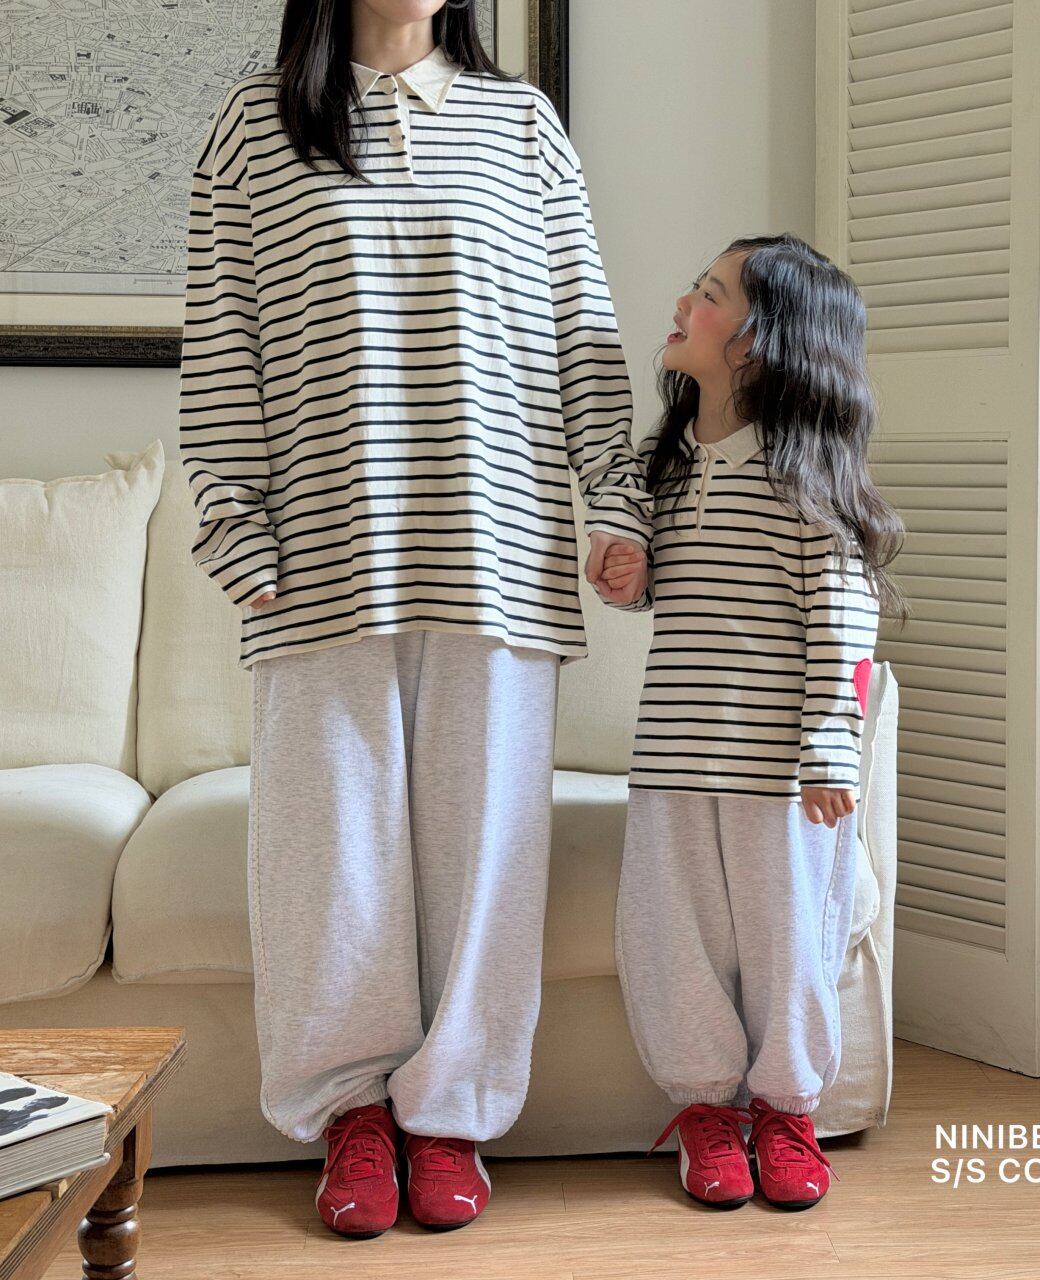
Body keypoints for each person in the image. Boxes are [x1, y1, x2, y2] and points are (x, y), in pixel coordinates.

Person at [178, 0, 649, 1236]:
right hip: (319, 563)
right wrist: (238, 533)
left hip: (499, 551)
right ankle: (352, 1110)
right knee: (328, 858)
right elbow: (221, 352)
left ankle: (449, 1117)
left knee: (486, 851)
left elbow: (583, 338)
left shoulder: (521, 126)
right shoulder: (253, 126)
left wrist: (616, 504)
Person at [602, 234, 905, 1210]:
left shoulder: (804, 483)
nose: (680, 304)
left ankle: (784, 1107)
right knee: (673, 937)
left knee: (789, 944)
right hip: (671, 759)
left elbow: (844, 630)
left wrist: (829, 747)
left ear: (758, 342)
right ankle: (703, 1105)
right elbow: (636, 562)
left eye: (707, 293)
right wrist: (624, 566)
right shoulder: (664, 466)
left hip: (780, 775)